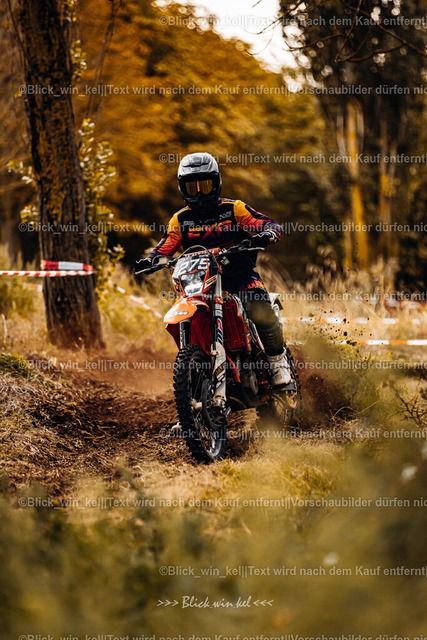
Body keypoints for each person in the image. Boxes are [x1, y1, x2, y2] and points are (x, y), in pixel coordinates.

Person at [135, 152, 291, 387]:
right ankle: (196, 375)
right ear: (182, 188)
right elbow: (165, 246)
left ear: (216, 183)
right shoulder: (180, 219)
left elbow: (268, 224)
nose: (199, 194)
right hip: (199, 284)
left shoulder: (233, 209)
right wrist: (149, 261)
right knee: (182, 312)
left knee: (258, 301)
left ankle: (277, 362)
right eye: (192, 187)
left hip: (238, 278)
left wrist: (266, 234)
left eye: (205, 186)